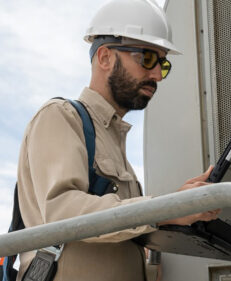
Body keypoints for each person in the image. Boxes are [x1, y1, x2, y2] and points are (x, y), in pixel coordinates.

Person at [16, 1, 219, 280]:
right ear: (104, 58)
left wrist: (183, 212)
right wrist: (167, 208)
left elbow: (118, 232)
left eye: (163, 63)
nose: (157, 74)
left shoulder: (116, 146)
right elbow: (62, 211)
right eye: (147, 58)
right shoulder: (61, 117)